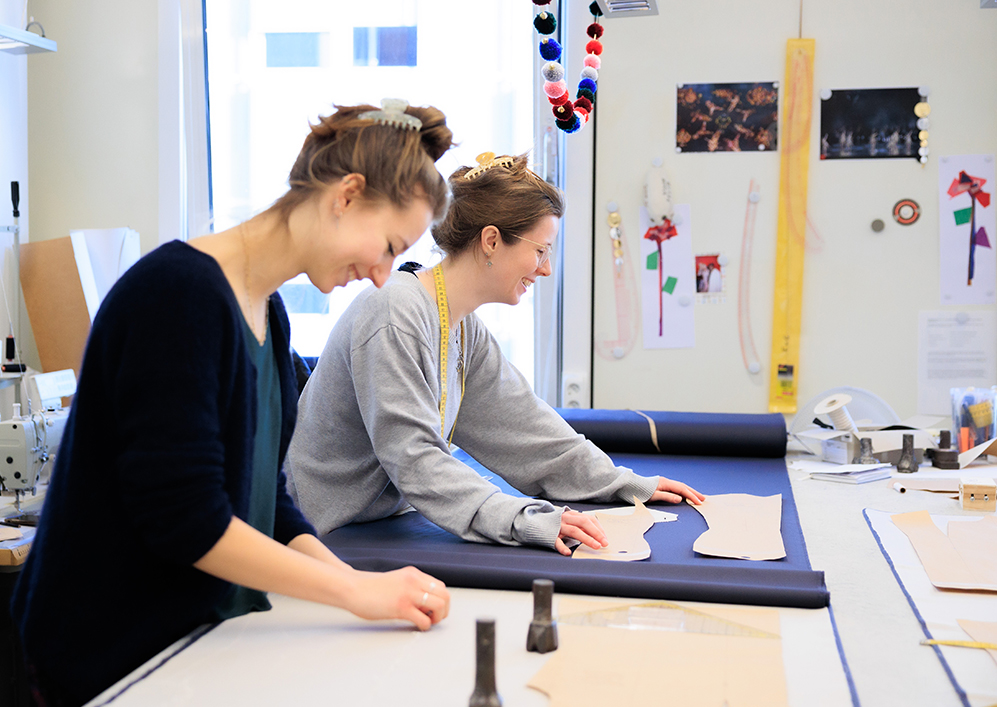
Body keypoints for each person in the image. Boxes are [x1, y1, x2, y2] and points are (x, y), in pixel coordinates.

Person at [11, 100, 454, 707]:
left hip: (204, 642)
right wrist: (355, 596)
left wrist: (357, 582)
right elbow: (186, 520)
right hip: (113, 656)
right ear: (346, 196)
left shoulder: (268, 314)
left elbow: (263, 502)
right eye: (387, 246)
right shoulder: (179, 295)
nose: (382, 275)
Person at [285, 153, 704, 557]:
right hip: (322, 536)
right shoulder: (394, 312)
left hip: (381, 524)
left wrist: (622, 483)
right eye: (540, 250)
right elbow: (415, 458)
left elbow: (527, 430)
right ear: (490, 240)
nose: (545, 269)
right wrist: (525, 518)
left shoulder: (462, 326)